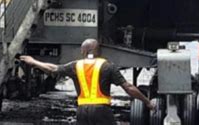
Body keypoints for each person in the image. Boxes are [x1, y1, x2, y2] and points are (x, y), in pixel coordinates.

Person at [20, 39, 154, 124]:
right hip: (102, 111)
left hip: (82, 112)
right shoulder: (107, 66)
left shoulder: (75, 66)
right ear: (98, 51)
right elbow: (128, 87)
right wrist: (147, 102)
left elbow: (53, 68)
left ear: (83, 51)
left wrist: (34, 62)